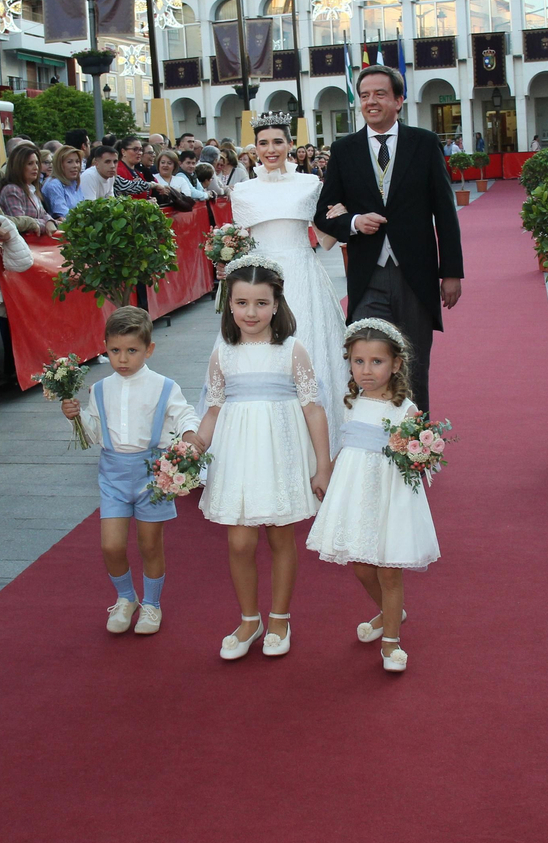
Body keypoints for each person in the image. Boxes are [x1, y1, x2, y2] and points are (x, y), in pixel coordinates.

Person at [194, 257, 332, 660]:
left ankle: (279, 617)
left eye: (260, 303)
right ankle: (249, 618)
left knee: (279, 535)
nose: (250, 312)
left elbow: (313, 408)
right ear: (228, 305)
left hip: (280, 454)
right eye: (241, 303)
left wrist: (322, 465)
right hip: (237, 456)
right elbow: (214, 408)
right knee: (239, 542)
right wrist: (194, 446)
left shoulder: (291, 350)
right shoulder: (223, 352)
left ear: (276, 304)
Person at [314, 65, 463, 413]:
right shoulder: (345, 148)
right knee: (367, 360)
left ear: (399, 100)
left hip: (416, 274)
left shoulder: (423, 143)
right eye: (364, 96)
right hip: (368, 276)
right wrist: (353, 222)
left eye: (380, 94)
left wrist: (451, 272)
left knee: (413, 365)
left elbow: (445, 211)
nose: (371, 102)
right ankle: (371, 445)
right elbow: (322, 213)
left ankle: (415, 451)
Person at [306, 319, 439, 673]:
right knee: (362, 567)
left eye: (376, 362)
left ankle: (391, 642)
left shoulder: (404, 410)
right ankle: (390, 613)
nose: (366, 370)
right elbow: (348, 443)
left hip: (389, 494)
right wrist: (328, 470)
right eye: (358, 361)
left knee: (389, 571)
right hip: (355, 491)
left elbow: (418, 454)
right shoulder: (351, 402)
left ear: (395, 364)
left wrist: (419, 451)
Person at [61, 307, 200, 637]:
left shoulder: (164, 387)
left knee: (150, 545)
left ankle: (152, 604)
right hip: (113, 475)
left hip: (152, 474)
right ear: (105, 347)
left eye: (132, 351)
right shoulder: (100, 389)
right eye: (115, 351)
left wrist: (191, 437)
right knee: (111, 545)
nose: (122, 359)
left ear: (149, 349)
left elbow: (185, 416)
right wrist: (76, 417)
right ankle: (126, 598)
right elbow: (95, 434)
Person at [229, 112, 350, 447]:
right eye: (264, 143)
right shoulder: (242, 191)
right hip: (259, 281)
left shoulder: (311, 185)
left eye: (278, 142)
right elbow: (239, 242)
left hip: (302, 275)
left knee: (310, 345)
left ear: (290, 145)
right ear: (255, 147)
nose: (271, 149)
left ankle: (322, 440)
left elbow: (323, 240)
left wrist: (340, 220)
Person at [0, 142, 59, 236]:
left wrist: (50, 221)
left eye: (37, 163)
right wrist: (46, 223)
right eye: (30, 164)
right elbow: (21, 223)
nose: (36, 167)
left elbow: (44, 214)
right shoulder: (11, 190)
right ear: (18, 166)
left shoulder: (32, 188)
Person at [43, 145, 85, 219]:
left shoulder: (74, 183)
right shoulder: (54, 185)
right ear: (59, 164)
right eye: (69, 162)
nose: (75, 166)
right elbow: (63, 214)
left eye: (77, 161)